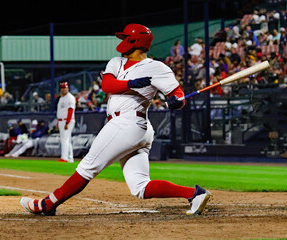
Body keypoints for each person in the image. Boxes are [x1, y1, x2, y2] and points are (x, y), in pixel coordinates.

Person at [20, 23, 212, 217]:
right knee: (140, 187)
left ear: (135, 40)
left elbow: (177, 95)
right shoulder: (116, 62)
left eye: (125, 37)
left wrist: (175, 102)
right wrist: (131, 84)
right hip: (129, 127)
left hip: (128, 124)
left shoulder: (156, 68)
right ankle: (195, 193)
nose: (122, 42)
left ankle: (47, 204)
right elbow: (107, 84)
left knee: (86, 167)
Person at [57, 81, 76, 163]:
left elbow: (71, 110)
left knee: (64, 139)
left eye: (65, 88)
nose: (64, 89)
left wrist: (67, 122)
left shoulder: (70, 97)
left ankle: (64, 158)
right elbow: (60, 111)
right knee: (66, 139)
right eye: (62, 88)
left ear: (68, 88)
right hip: (61, 120)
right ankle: (70, 158)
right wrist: (58, 122)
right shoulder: (61, 98)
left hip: (67, 120)